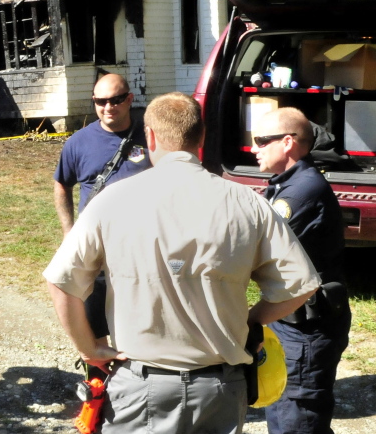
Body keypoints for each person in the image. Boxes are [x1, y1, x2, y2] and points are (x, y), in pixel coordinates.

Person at [45, 92, 321, 434]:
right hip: (220, 388)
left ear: (150, 137)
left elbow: (61, 281)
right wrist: (253, 318)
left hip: (141, 387)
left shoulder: (111, 202)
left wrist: (89, 349)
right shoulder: (248, 203)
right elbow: (300, 285)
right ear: (202, 137)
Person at [251, 107, 351, 434]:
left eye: (262, 140)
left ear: (289, 143)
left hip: (307, 329)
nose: (254, 148)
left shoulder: (303, 190)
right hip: (289, 323)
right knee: (283, 413)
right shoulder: (287, 183)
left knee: (299, 421)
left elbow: (254, 246)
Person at [52, 73, 150, 346]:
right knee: (94, 317)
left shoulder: (151, 137)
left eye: (116, 100)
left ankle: (135, 369)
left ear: (129, 99)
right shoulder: (78, 142)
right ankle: (98, 377)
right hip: (96, 244)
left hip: (141, 244)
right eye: (101, 101)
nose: (108, 107)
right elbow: (61, 184)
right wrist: (68, 231)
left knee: (139, 312)